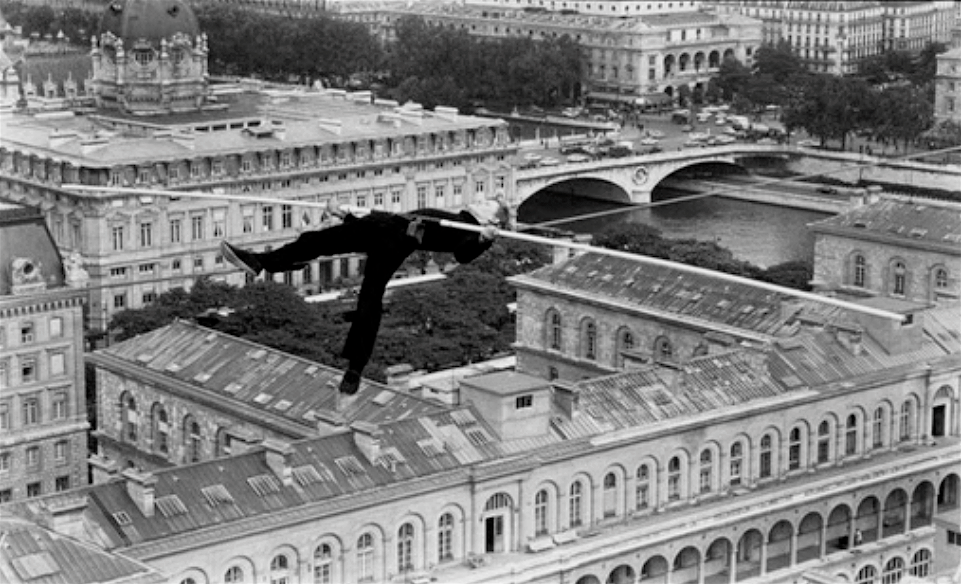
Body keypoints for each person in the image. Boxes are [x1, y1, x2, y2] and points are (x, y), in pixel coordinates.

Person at [220, 197, 512, 395]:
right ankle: (261, 262)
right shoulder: (458, 217)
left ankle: (355, 368)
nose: (481, 200)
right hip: (383, 225)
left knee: (369, 298)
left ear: (491, 218)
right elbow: (393, 220)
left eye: (489, 204)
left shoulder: (470, 230)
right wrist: (344, 216)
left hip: (398, 240)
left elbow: (462, 254)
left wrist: (484, 240)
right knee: (317, 240)